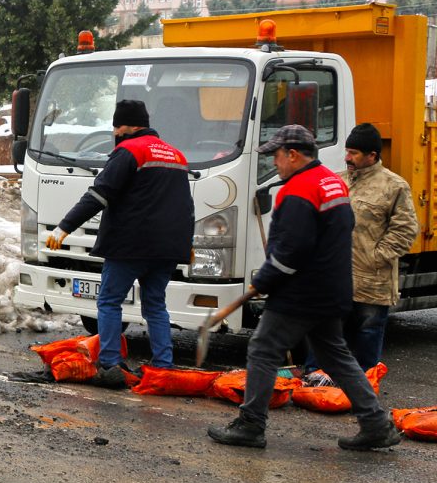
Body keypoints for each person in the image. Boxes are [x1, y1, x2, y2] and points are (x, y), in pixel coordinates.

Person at [208, 125, 401, 450]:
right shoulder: (332, 183)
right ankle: (377, 423)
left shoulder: (299, 190)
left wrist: (265, 280)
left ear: (294, 155)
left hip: (301, 292)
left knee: (262, 349)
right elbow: (343, 230)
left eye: (277, 156)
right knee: (336, 356)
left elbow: (291, 251)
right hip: (333, 288)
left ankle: (251, 425)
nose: (276, 163)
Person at [45, 99, 193, 387]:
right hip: (167, 248)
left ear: (127, 126)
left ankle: (110, 363)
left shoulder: (129, 151)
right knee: (155, 305)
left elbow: (99, 194)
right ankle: (164, 365)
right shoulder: (177, 156)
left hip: (131, 245)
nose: (114, 133)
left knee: (110, 301)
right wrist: (185, 243)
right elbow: (186, 206)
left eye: (116, 127)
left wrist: (64, 227)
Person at [303, 123, 419, 382]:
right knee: (325, 331)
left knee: (367, 335)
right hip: (335, 279)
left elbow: (406, 230)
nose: (347, 157)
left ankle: (363, 389)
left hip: (372, 281)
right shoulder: (336, 181)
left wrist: (375, 257)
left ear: (372, 156)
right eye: (347, 151)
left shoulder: (394, 186)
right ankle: (312, 381)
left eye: (354, 153)